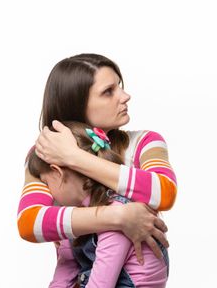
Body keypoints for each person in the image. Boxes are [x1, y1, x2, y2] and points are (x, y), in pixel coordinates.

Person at [17, 53, 177, 268]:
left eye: (119, 86)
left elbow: (164, 192)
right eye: (108, 92)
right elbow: (29, 223)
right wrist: (118, 217)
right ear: (76, 105)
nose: (125, 96)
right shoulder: (45, 152)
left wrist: (74, 157)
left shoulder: (145, 142)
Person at [27, 121, 168, 288]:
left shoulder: (118, 216)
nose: (49, 194)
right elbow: (66, 268)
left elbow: (101, 284)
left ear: (57, 173)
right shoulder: (75, 216)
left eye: (46, 183)